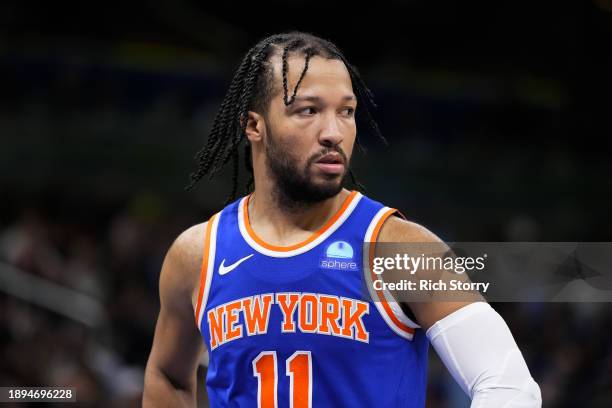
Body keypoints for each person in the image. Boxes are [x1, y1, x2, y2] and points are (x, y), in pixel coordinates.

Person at [143, 31, 541, 407]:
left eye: (346, 112)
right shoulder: (198, 255)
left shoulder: (396, 248)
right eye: (309, 110)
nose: (333, 131)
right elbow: (168, 376)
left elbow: (508, 384)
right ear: (254, 126)